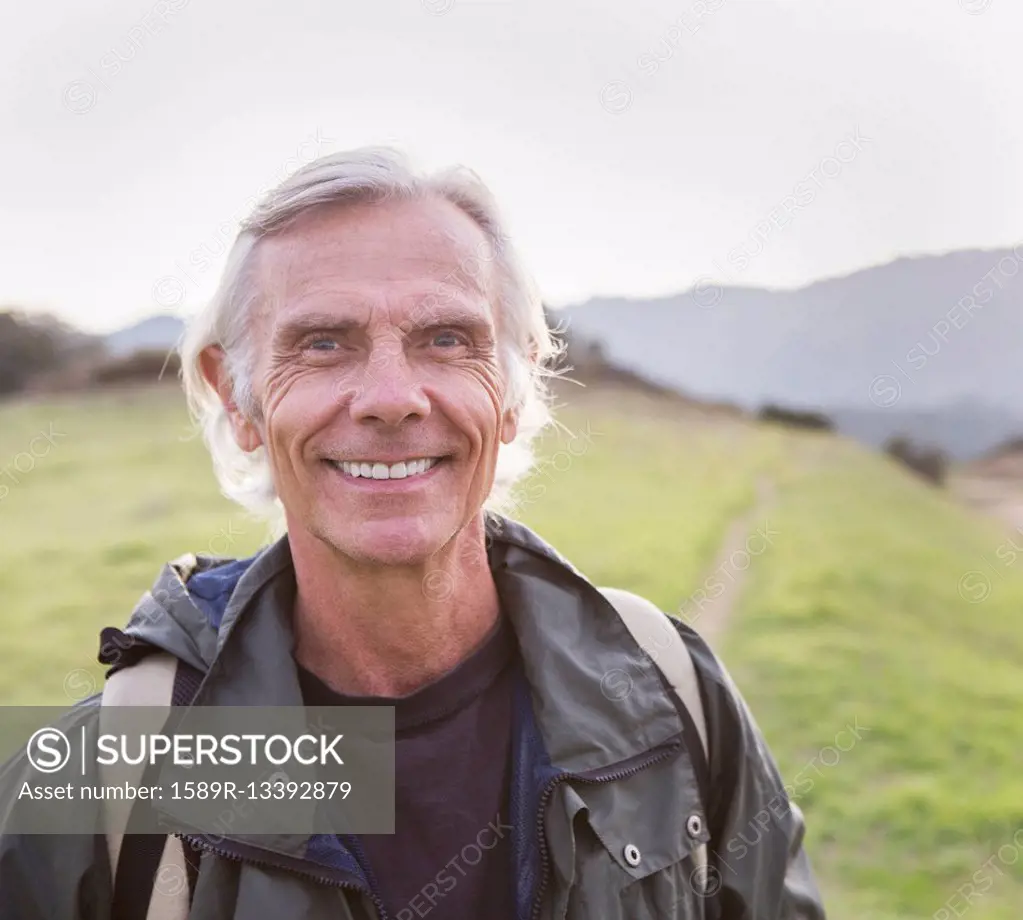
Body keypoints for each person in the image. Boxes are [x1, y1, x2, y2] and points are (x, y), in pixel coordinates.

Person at [0, 146, 827, 919]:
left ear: (513, 385)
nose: (391, 397)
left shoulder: (669, 696)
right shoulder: (100, 775)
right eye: (323, 343)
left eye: (445, 339)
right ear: (236, 395)